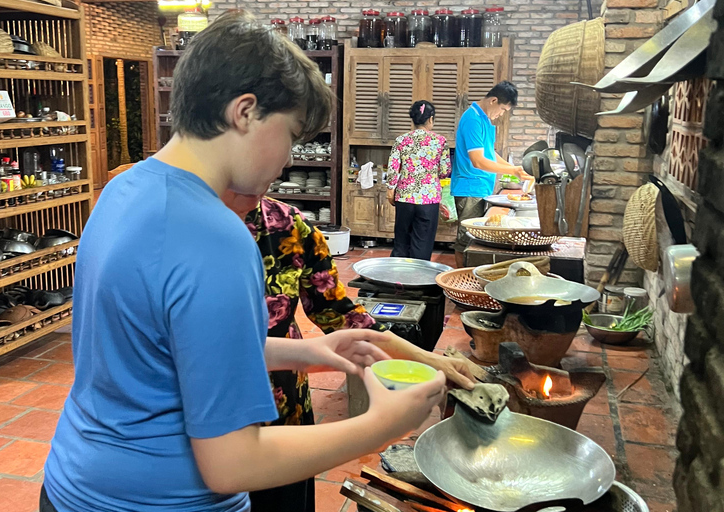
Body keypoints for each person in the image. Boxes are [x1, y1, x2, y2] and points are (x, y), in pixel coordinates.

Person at [40, 12, 446, 512]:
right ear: (245, 112)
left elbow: (167, 350)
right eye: (291, 135)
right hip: (160, 502)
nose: (288, 160)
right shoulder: (216, 236)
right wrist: (380, 425)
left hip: (74, 485)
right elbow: (232, 464)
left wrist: (309, 352)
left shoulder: (124, 188)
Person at [220, 193, 477, 512]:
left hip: (282, 403)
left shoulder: (286, 225)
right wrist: (380, 427)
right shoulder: (171, 230)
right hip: (212, 423)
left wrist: (429, 360)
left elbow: (339, 313)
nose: (286, 160)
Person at [451, 81, 532, 267]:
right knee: (466, 239)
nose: (501, 114)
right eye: (502, 109)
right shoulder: (473, 119)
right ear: (493, 100)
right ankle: (461, 278)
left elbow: (490, 153)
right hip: (470, 187)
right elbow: (478, 161)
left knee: (473, 238)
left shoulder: (485, 119)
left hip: (481, 186)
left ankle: (469, 275)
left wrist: (516, 170)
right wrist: (512, 170)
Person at [386, 100, 452, 261]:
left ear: (413, 120)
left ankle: (396, 280)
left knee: (401, 242)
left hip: (404, 197)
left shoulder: (401, 140)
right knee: (422, 244)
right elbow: (445, 172)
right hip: (428, 200)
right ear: (430, 119)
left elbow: (393, 169)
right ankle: (418, 282)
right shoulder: (440, 141)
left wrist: (390, 190)